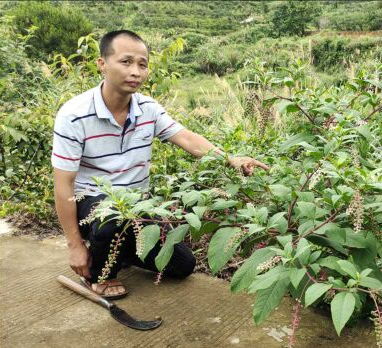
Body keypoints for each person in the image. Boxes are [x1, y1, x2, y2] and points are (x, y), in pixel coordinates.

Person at [52, 30, 268, 299]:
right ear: (102, 64)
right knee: (111, 220)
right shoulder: (74, 115)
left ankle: (117, 247)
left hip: (137, 204)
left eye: (142, 64)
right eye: (126, 62)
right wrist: (74, 245)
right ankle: (100, 273)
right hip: (92, 203)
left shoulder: (148, 109)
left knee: (181, 265)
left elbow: (187, 138)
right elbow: (64, 185)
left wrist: (230, 159)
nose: (136, 72)